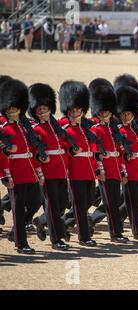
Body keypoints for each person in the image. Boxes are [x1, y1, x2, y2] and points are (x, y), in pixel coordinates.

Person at [0, 79, 44, 254]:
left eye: (15, 108)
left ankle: (16, 232)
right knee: (17, 210)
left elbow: (32, 151)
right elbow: (2, 156)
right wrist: (5, 175)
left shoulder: (25, 127)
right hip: (15, 172)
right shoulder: (3, 128)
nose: (12, 111)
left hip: (30, 171)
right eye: (9, 108)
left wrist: (39, 171)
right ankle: (21, 243)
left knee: (36, 201)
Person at [28, 83, 70, 250]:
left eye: (45, 108)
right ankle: (56, 239)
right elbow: (34, 151)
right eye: (39, 110)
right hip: (48, 171)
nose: (43, 112)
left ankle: (43, 220)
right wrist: (40, 166)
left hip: (60, 169)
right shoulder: (36, 129)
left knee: (62, 203)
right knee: (52, 205)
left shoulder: (56, 126)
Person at [59, 80, 98, 247]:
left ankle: (59, 224)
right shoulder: (66, 130)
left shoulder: (86, 129)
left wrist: (97, 169)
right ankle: (84, 236)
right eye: (72, 110)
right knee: (80, 205)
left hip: (89, 171)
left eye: (78, 110)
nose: (75, 112)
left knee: (89, 200)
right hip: (75, 172)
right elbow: (63, 152)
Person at [89, 83, 130, 243]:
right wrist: (100, 171)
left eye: (107, 111)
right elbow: (96, 154)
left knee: (116, 201)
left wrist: (123, 171)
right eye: (102, 111)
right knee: (110, 204)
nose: (105, 114)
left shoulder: (113, 129)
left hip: (115, 169)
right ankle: (115, 233)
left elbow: (118, 153)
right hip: (105, 170)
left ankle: (116, 231)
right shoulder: (96, 130)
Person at [116, 86, 138, 241]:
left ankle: (122, 223)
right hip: (128, 170)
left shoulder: (134, 128)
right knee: (132, 202)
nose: (125, 116)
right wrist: (123, 171)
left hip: (137, 168)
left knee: (133, 200)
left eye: (128, 113)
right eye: (123, 114)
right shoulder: (119, 131)